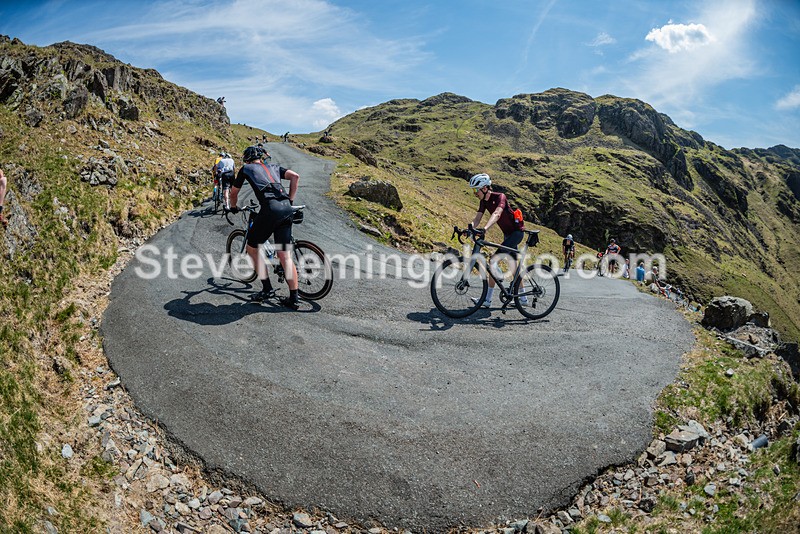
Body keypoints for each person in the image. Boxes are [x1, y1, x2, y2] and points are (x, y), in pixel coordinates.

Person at [229, 146, 301, 309]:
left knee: (252, 248)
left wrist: (233, 207)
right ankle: (294, 298)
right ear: (260, 158)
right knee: (285, 255)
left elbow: (234, 193)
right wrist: (290, 200)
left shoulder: (246, 169)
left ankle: (267, 289)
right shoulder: (274, 167)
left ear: (246, 159)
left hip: (270, 209)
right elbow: (295, 176)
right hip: (286, 208)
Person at [467, 173, 526, 308]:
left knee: (493, 260)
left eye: (476, 190)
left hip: (517, 233)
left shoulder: (500, 197)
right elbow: (477, 219)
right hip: (508, 235)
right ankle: (523, 299)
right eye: (473, 190)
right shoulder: (484, 202)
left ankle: (487, 300)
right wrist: (469, 228)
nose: (474, 193)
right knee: (513, 266)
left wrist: (485, 228)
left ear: (485, 188)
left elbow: (497, 214)